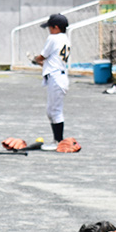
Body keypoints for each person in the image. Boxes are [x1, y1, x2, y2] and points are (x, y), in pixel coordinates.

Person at [32, 14, 70, 149]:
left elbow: (42, 56)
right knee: (51, 111)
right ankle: (57, 140)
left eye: (50, 27)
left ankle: (59, 142)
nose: (49, 30)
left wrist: (35, 59)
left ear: (56, 27)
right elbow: (52, 61)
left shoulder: (53, 38)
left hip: (56, 78)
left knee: (55, 111)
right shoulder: (65, 38)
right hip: (59, 76)